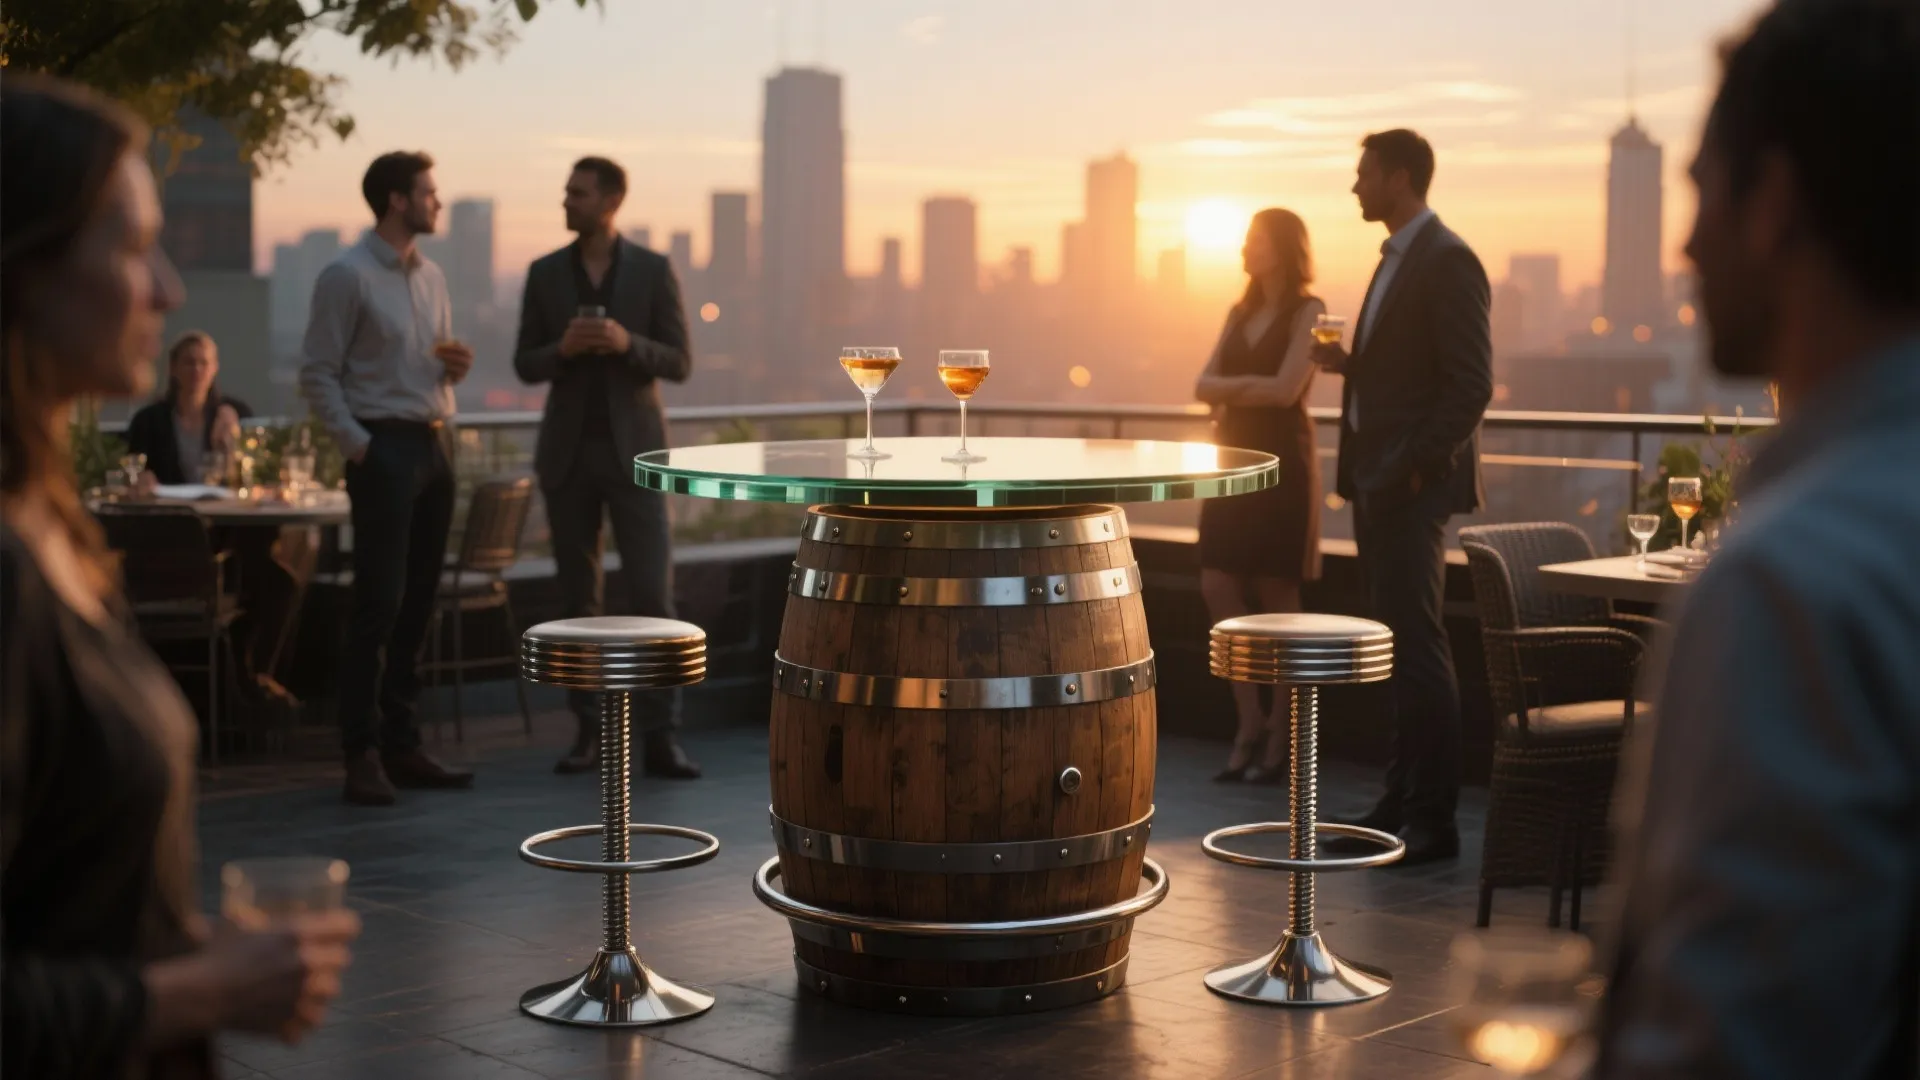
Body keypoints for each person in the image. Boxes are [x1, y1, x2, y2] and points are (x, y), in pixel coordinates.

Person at [1, 74, 359, 1077]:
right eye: (128, 245)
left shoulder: (47, 525)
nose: (166, 285)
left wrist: (191, 946)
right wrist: (200, 991)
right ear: (23, 266)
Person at [1595, 2, 1920, 1075]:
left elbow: (1729, 1046)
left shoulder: (1794, 585)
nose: (1685, 240)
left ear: (1773, 199)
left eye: (1698, 188)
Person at [1312, 129, 1492, 864]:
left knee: (1418, 648)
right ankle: (1398, 798)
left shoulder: (1447, 261)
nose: (1354, 187)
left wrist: (1413, 470)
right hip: (1379, 483)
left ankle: (1432, 819)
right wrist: (1350, 366)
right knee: (1397, 642)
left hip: (1407, 489)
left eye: (1364, 175)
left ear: (1399, 177)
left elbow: (1469, 384)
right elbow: (1409, 373)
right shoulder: (1395, 260)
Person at [299, 151, 477, 806]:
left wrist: (452, 372)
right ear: (398, 200)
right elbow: (317, 371)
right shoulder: (344, 277)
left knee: (418, 604)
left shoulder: (431, 276)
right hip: (385, 451)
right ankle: (361, 754)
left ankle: (404, 744)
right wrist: (361, 448)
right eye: (429, 192)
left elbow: (427, 361)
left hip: (435, 446)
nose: (437, 201)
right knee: (378, 605)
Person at [513, 156, 700, 779]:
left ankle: (661, 736)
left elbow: (678, 361)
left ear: (611, 200)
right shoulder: (544, 273)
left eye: (578, 193)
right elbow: (524, 362)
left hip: (638, 458)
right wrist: (560, 350)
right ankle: (589, 732)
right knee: (577, 600)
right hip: (567, 456)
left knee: (654, 593)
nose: (567, 201)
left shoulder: (651, 270)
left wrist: (626, 344)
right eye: (566, 191)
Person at [1194, 208, 1325, 783]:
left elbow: (1286, 390)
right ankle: (1249, 720)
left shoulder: (1310, 311)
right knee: (1216, 584)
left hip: (1280, 467)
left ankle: (1283, 731)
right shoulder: (1238, 310)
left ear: (1284, 247)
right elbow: (1201, 386)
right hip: (1230, 463)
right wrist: (1251, 390)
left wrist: (1234, 390)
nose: (1245, 248)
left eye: (1256, 239)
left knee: (1278, 597)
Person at [124, 330, 251, 487]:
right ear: (174, 367)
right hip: (167, 507)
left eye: (204, 363)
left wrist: (231, 444)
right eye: (189, 362)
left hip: (220, 505)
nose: (196, 369)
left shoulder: (236, 413)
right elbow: (134, 469)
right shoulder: (147, 420)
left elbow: (251, 472)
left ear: (215, 368)